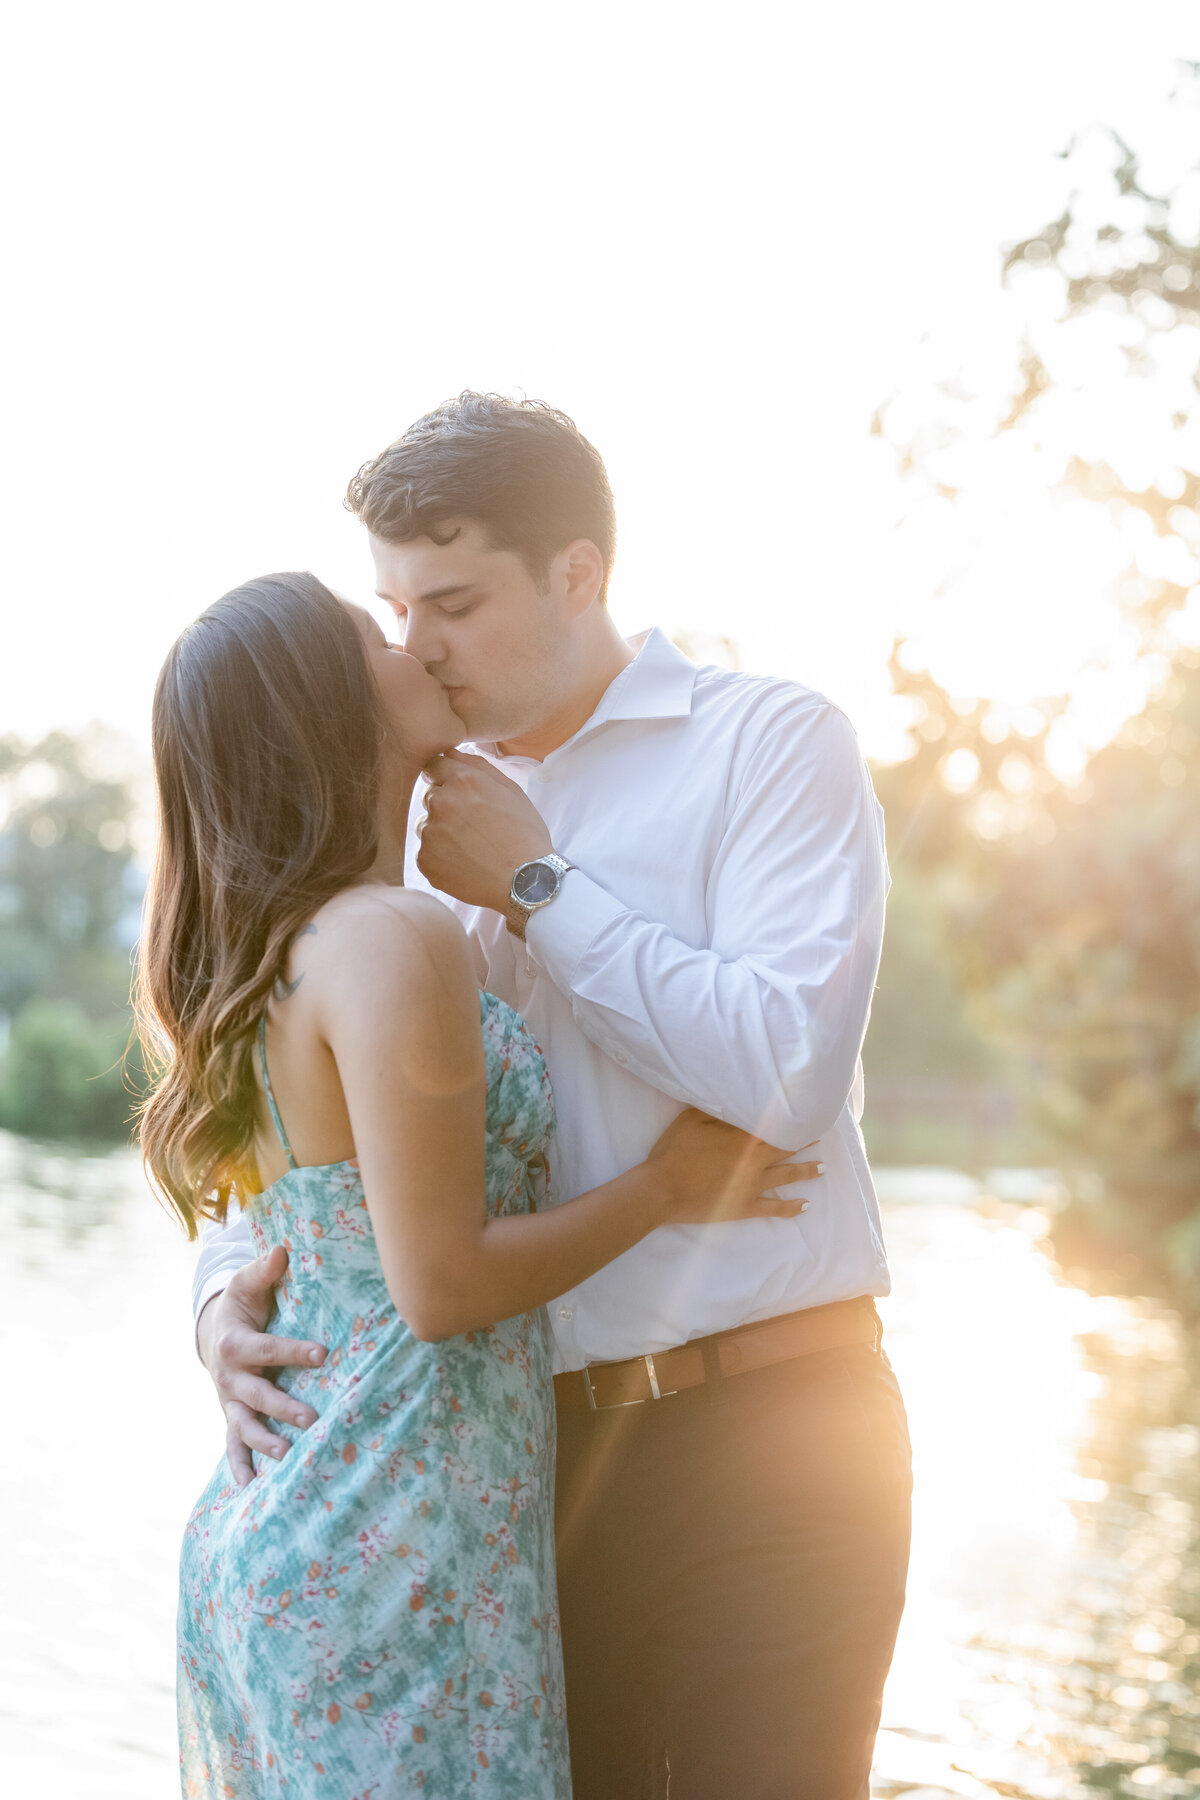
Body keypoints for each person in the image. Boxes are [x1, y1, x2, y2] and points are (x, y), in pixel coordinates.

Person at [192, 395, 912, 1800]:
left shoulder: (767, 745)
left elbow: (788, 1075)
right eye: (397, 612)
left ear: (578, 575)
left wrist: (538, 889)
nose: (420, 647)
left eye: (452, 602)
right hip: (520, 1476)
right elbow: (308, 1149)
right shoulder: (409, 822)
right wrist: (221, 1302)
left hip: (775, 1435)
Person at [141, 573, 806, 1798]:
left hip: (312, 1513)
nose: (411, 645)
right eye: (372, 633)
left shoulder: (284, 950)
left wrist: (216, 1308)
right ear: (324, 711)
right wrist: (669, 1186)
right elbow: (441, 1284)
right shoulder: (396, 937)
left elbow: (306, 1222)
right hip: (395, 1521)